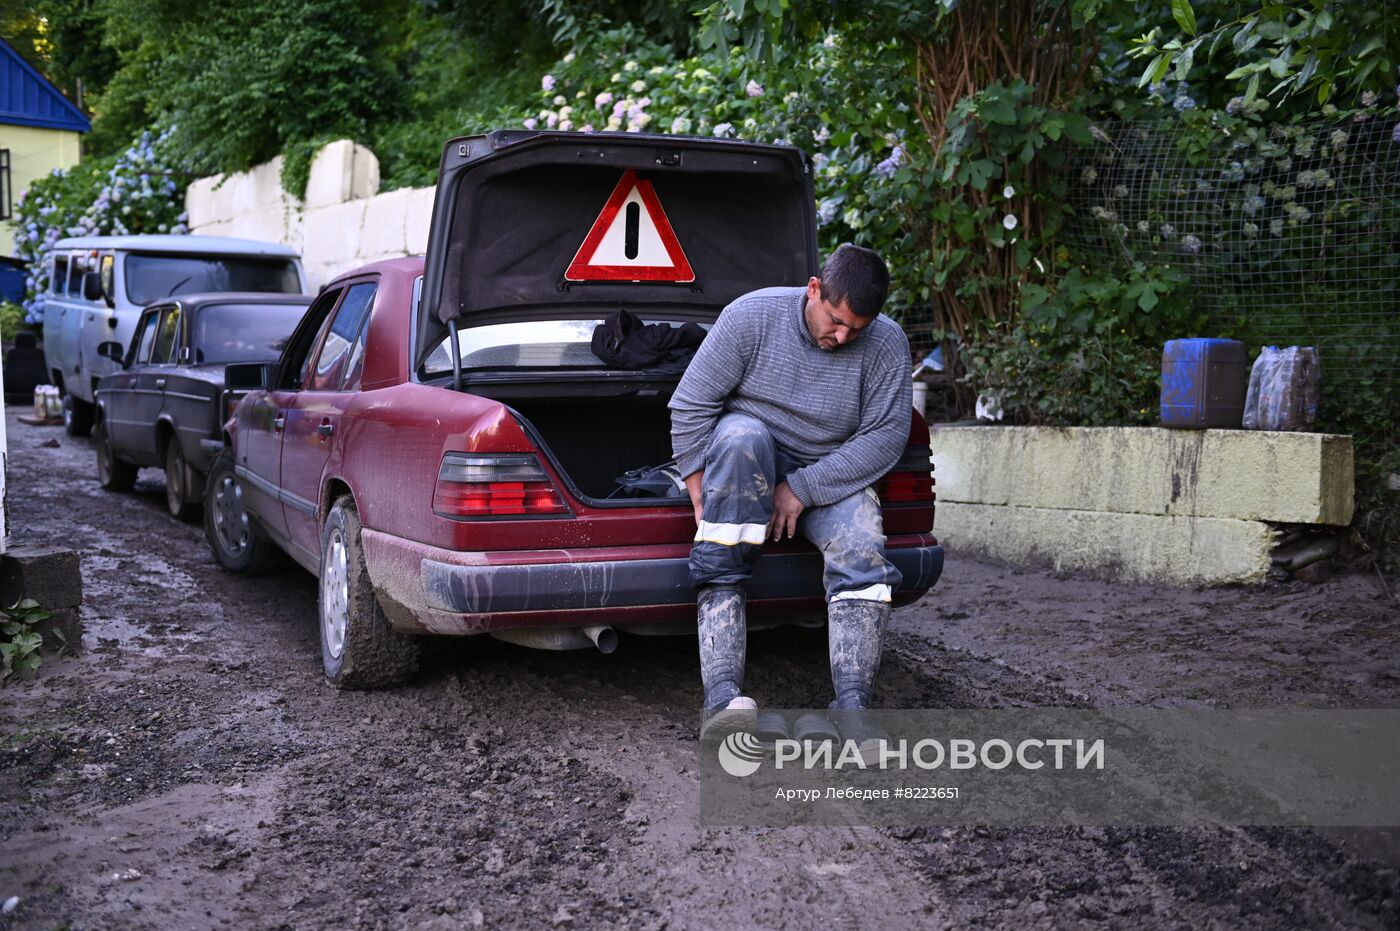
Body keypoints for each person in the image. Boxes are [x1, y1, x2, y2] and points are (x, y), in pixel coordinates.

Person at [669, 243, 912, 726]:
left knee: (863, 550)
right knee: (741, 436)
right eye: (835, 320)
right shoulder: (751, 317)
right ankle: (721, 700)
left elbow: (886, 438)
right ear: (814, 289)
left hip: (825, 470)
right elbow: (691, 404)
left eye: (856, 330)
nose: (842, 337)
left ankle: (853, 705)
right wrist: (700, 489)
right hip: (746, 459)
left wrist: (801, 488)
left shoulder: (886, 344)